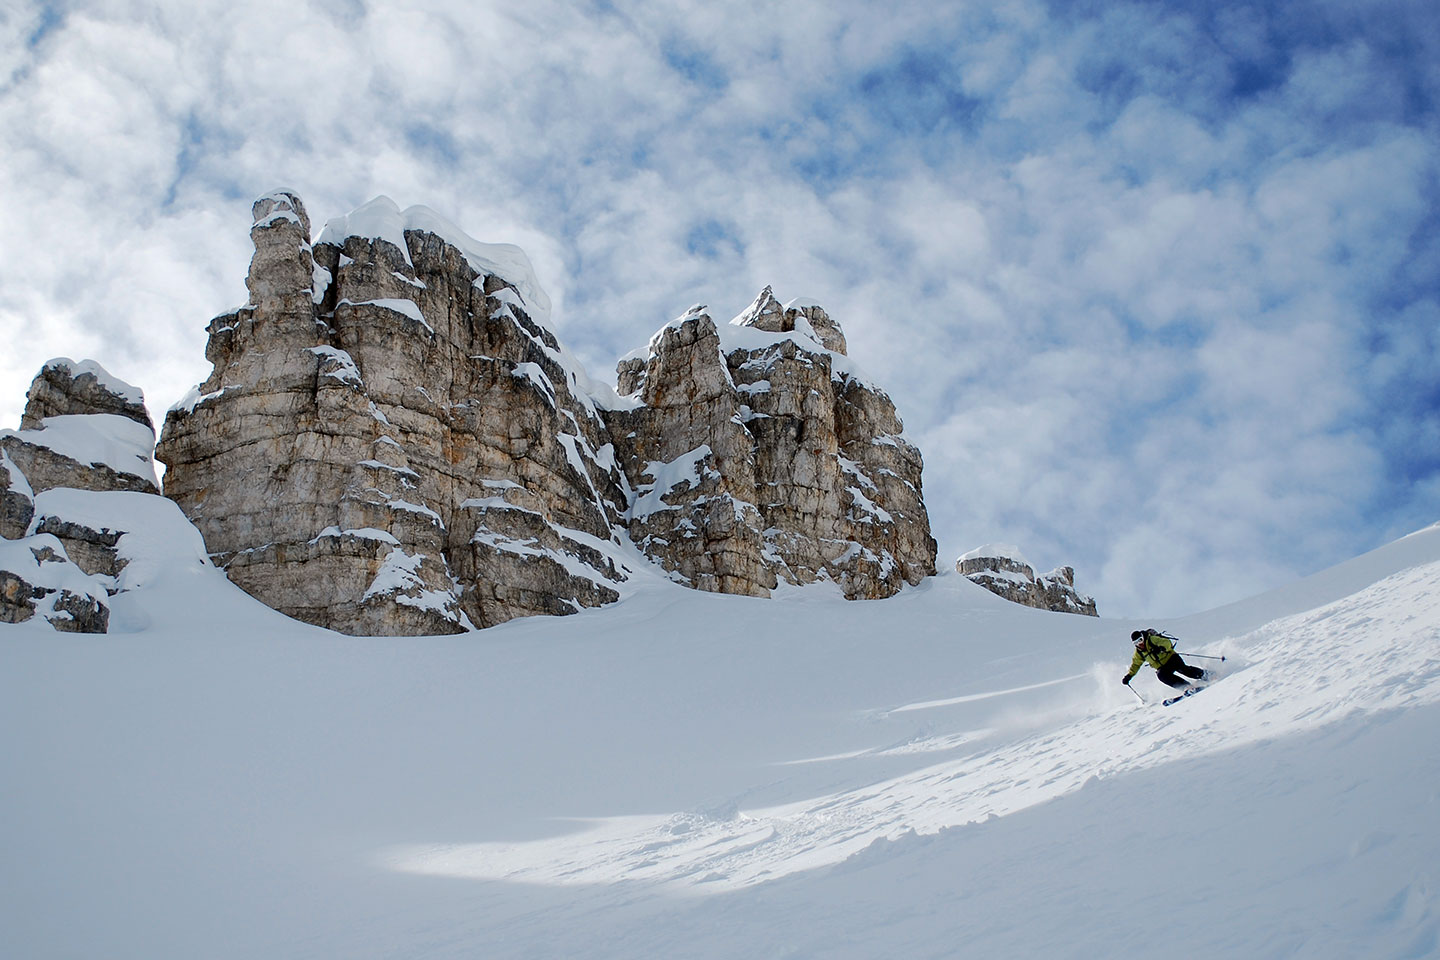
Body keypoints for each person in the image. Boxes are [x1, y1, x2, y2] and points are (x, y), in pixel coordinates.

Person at [1122, 629, 1205, 689]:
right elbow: (1136, 664)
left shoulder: (1152, 640)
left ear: (1143, 638)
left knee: (1182, 669)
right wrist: (1129, 676)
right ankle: (1185, 686)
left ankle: (1205, 675)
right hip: (1163, 667)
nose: (1140, 644)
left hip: (1171, 658)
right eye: (1136, 643)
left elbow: (1166, 642)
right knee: (1161, 675)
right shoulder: (1139, 653)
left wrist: (1161, 648)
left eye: (1140, 640)